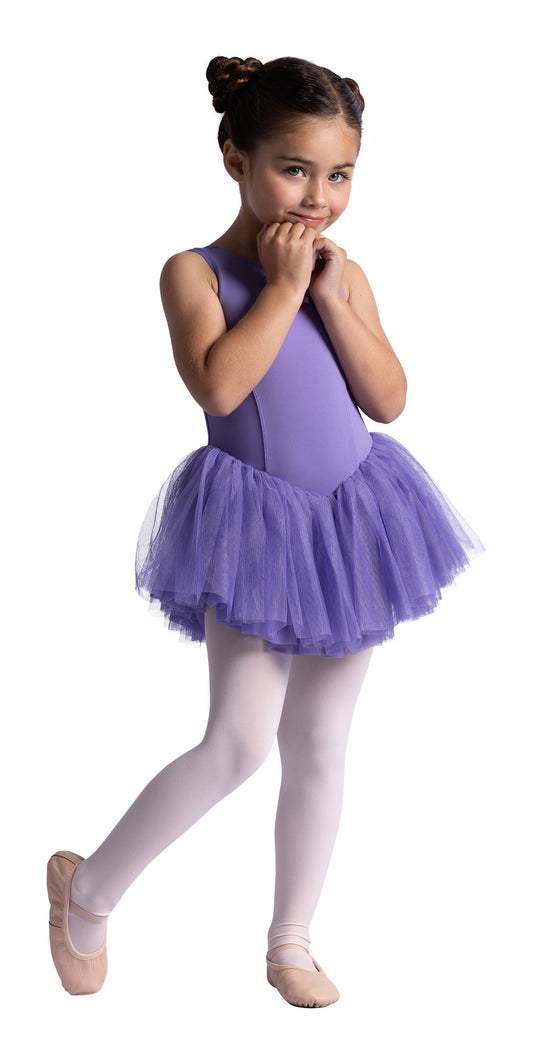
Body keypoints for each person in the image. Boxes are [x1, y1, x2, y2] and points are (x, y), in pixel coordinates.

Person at [47, 55, 483, 1008]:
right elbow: (219, 386)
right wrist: (283, 289)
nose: (318, 196)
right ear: (234, 158)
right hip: (255, 530)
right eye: (294, 169)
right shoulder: (193, 271)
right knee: (238, 742)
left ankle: (291, 940)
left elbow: (388, 399)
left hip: (353, 521)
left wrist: (327, 294)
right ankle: (87, 891)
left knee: (322, 739)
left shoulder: (342, 274)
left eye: (339, 174)